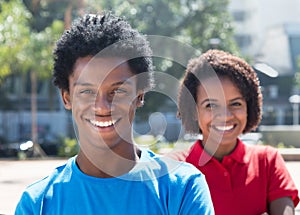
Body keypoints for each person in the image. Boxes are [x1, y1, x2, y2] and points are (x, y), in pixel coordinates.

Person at [14, 12, 214, 214]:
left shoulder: (182, 189)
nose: (102, 107)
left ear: (139, 95)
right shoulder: (38, 203)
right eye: (87, 91)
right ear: (67, 97)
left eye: (118, 91)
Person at [168, 49, 299, 215]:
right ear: (194, 111)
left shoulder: (267, 161)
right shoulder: (174, 168)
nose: (225, 116)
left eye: (235, 104)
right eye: (211, 105)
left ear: (249, 107)